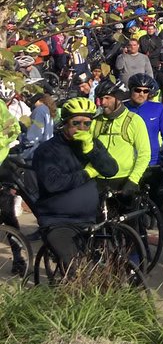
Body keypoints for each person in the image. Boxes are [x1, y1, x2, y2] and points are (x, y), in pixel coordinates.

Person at [31, 97, 119, 267]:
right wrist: (87, 173)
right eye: (76, 122)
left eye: (87, 124)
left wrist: (91, 150)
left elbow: (111, 170)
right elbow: (53, 183)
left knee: (104, 265)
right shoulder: (48, 150)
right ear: (65, 123)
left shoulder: (91, 143)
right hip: (58, 220)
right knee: (76, 268)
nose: (82, 128)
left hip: (90, 219)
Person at [126, 73, 163, 268]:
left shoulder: (157, 108)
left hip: (155, 166)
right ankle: (141, 251)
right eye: (138, 90)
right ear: (131, 90)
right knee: (135, 213)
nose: (142, 94)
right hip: (133, 168)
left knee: (162, 211)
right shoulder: (124, 109)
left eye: (146, 91)